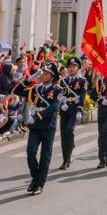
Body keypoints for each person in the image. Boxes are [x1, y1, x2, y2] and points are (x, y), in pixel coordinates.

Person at [22, 64, 62, 195]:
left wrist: (38, 116)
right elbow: (19, 91)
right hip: (35, 127)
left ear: (52, 76)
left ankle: (40, 183)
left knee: (45, 156)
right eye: (42, 73)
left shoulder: (58, 90)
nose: (43, 75)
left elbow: (54, 107)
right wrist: (29, 79)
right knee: (30, 151)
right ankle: (35, 177)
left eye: (46, 73)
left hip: (47, 126)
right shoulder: (36, 88)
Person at [57, 58, 86, 169]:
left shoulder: (82, 81)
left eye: (73, 67)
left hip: (74, 109)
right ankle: (66, 159)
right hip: (64, 109)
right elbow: (58, 94)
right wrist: (61, 102)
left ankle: (70, 151)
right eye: (69, 67)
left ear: (77, 68)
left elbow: (83, 96)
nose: (71, 69)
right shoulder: (62, 81)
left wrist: (80, 109)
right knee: (64, 134)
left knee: (70, 130)